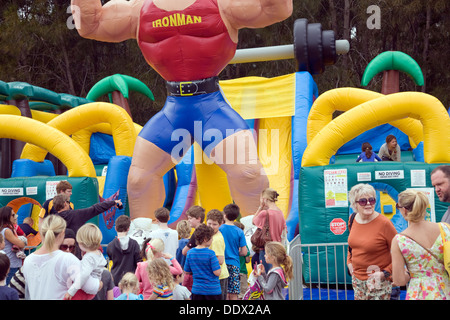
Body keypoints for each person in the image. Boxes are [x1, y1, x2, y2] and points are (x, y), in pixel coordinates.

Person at [72, 0, 294, 224]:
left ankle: (260, 234)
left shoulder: (222, 5)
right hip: (174, 109)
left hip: (211, 106)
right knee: (139, 179)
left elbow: (276, 9)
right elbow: (90, 24)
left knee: (248, 173)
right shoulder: (139, 11)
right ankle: (144, 238)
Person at [22, 215, 100, 299]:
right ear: (63, 232)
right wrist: (100, 282)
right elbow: (91, 287)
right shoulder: (67, 259)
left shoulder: (28, 260)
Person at [391, 189, 450, 300]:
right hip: (445, 289)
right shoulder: (445, 228)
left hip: (418, 293)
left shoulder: (399, 240)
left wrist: (409, 273)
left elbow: (399, 280)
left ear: (404, 210)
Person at [347, 183, 397, 300]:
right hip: (358, 281)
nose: (368, 203)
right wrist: (349, 262)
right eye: (363, 201)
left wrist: (385, 273)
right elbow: (352, 245)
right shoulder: (353, 219)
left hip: (378, 281)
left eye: (372, 200)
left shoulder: (384, 224)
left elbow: (399, 252)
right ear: (355, 204)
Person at [64, 223, 107, 300]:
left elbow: (84, 275)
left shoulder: (89, 257)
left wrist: (71, 291)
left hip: (90, 286)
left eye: (79, 242)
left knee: (73, 270)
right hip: (95, 285)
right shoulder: (98, 253)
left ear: (84, 243)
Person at [52, 193, 123, 235]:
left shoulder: (51, 221)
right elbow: (96, 208)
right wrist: (113, 202)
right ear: (65, 204)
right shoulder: (76, 215)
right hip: (76, 253)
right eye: (68, 202)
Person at [184, 224, 222, 300]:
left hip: (197, 290)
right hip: (212, 290)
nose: (212, 240)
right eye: (211, 238)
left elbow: (186, 271)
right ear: (205, 239)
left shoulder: (190, 253)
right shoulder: (211, 253)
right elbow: (217, 272)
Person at [252, 188, 287, 271]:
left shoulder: (265, 213)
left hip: (266, 250)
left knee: (266, 277)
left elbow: (253, 221)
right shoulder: (280, 213)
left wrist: (260, 207)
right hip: (277, 249)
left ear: (265, 199)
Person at [220, 204, 248, 300]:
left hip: (222, 263)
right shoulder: (239, 231)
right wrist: (236, 253)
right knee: (234, 292)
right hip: (234, 264)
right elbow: (244, 252)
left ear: (225, 215)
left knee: (223, 292)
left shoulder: (220, 229)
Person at [107, 215, 141, 286]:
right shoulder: (134, 244)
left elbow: (111, 259)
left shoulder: (110, 245)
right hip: (131, 279)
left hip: (116, 279)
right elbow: (139, 262)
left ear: (115, 228)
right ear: (128, 228)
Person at [181, 206, 206, 291]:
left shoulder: (197, 232)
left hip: (194, 270)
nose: (188, 220)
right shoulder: (206, 230)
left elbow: (184, 251)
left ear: (198, 219)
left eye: (190, 218)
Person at [206, 209, 229, 299]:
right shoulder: (212, 235)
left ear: (220, 224)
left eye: (214, 224)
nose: (211, 226)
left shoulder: (216, 239)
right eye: (209, 223)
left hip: (219, 276)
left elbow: (220, 260)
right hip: (215, 274)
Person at [0, 206, 26, 284]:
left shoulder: (5, 229)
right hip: (11, 265)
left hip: (10, 263)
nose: (15, 217)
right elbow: (21, 244)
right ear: (7, 216)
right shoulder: (7, 231)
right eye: (13, 215)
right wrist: (23, 240)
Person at [233, 220, 250, 299]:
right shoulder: (244, 245)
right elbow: (247, 260)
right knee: (243, 293)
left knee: (233, 293)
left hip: (232, 271)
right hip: (242, 271)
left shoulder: (230, 244)